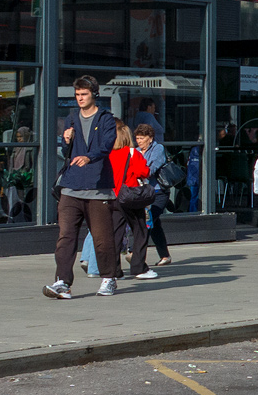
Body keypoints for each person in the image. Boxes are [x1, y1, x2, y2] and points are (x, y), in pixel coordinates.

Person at [45, 76, 119, 299]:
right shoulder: (71, 119)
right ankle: (62, 282)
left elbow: (107, 144)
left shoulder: (105, 118)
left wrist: (89, 157)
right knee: (66, 236)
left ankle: (108, 278)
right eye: (77, 95)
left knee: (102, 238)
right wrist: (65, 139)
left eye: (84, 94)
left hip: (97, 189)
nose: (80, 99)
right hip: (71, 187)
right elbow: (66, 151)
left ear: (94, 94)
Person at [109, 120, 156, 280]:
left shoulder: (108, 154)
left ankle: (114, 271)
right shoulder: (132, 153)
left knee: (116, 233)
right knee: (141, 230)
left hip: (112, 197)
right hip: (130, 196)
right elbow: (144, 171)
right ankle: (138, 267)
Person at [135, 124, 172, 267]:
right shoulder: (137, 151)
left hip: (158, 192)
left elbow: (151, 169)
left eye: (142, 138)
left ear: (150, 138)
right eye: (137, 138)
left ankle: (135, 253)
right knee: (155, 225)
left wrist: (137, 170)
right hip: (143, 192)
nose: (139, 141)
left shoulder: (158, 149)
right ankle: (165, 255)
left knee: (148, 221)